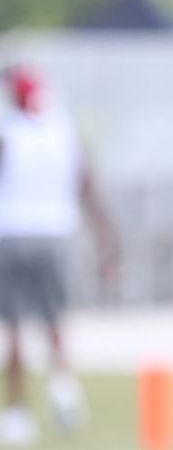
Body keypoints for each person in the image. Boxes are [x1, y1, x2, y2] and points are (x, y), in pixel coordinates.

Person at [0, 65, 118, 445]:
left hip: (13, 234)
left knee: (14, 329)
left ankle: (17, 415)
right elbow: (89, 188)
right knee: (54, 324)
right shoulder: (65, 132)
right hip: (56, 236)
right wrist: (107, 240)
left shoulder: (8, 134)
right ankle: (64, 393)